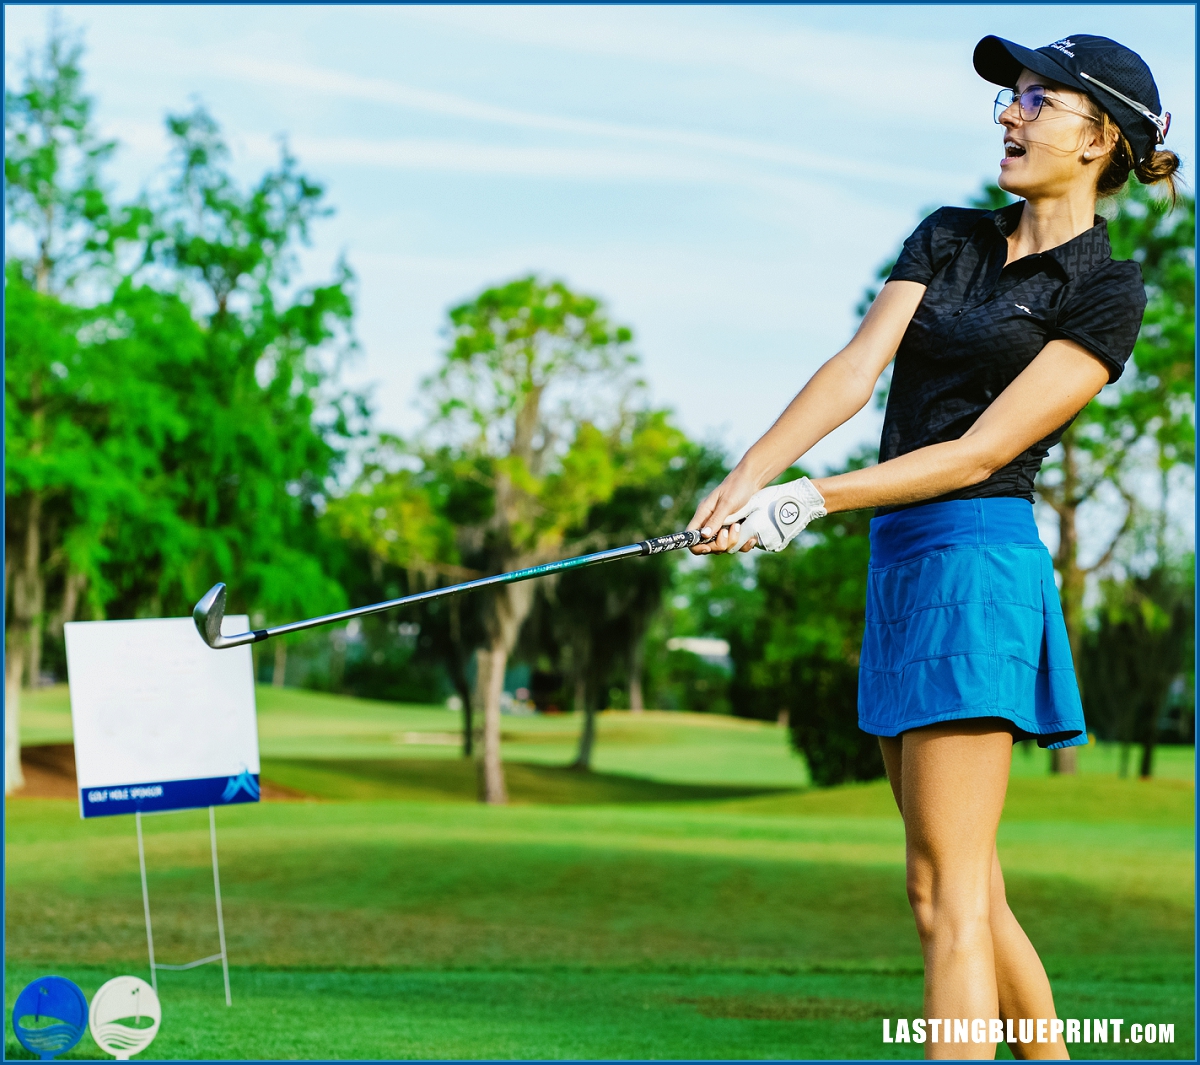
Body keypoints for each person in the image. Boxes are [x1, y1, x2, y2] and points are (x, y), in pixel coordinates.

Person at [687, 34, 1179, 1061]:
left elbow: (981, 450)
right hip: (902, 561)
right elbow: (855, 370)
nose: (1011, 113)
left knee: (948, 902)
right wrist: (741, 486)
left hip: (976, 558)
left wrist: (811, 499)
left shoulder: (1105, 289)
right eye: (1014, 96)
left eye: (1040, 100)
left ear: (1102, 139)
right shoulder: (950, 235)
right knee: (954, 882)